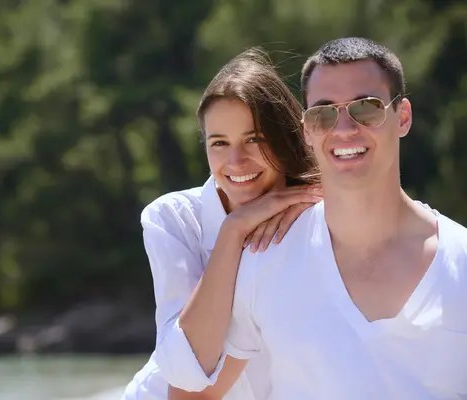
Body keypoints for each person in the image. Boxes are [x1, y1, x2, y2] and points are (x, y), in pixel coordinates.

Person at [168, 37, 467, 399]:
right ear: (307, 129)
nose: (343, 129)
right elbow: (190, 394)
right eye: (323, 113)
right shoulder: (266, 258)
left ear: (402, 117)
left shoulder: (461, 262)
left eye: (366, 108)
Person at [122, 48, 323, 399]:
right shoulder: (173, 218)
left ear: (285, 138)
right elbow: (187, 375)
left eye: (254, 139)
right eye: (219, 143)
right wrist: (234, 232)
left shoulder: (319, 215)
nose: (236, 161)